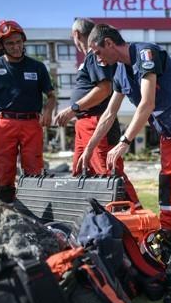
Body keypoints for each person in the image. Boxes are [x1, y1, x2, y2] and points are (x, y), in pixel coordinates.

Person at [77, 24, 171, 250]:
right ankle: (167, 230)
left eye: (97, 52)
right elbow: (108, 114)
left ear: (108, 43)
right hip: (168, 128)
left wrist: (123, 142)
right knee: (166, 179)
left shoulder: (146, 54)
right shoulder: (119, 73)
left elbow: (147, 103)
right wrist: (89, 149)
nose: (98, 59)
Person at [54, 18, 140, 207]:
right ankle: (90, 218)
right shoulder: (91, 57)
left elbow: (104, 89)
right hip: (85, 123)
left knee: (108, 174)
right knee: (80, 170)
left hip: (96, 121)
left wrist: (73, 108)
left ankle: (134, 215)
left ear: (76, 35)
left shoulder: (96, 56)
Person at [0, 20, 55, 203]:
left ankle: (34, 205)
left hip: (32, 123)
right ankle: (6, 205)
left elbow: (51, 95)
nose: (16, 46)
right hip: (5, 123)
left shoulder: (37, 67)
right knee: (4, 167)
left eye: (18, 41)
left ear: (23, 41)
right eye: (10, 43)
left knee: (34, 166)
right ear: (1, 45)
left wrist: (48, 111)